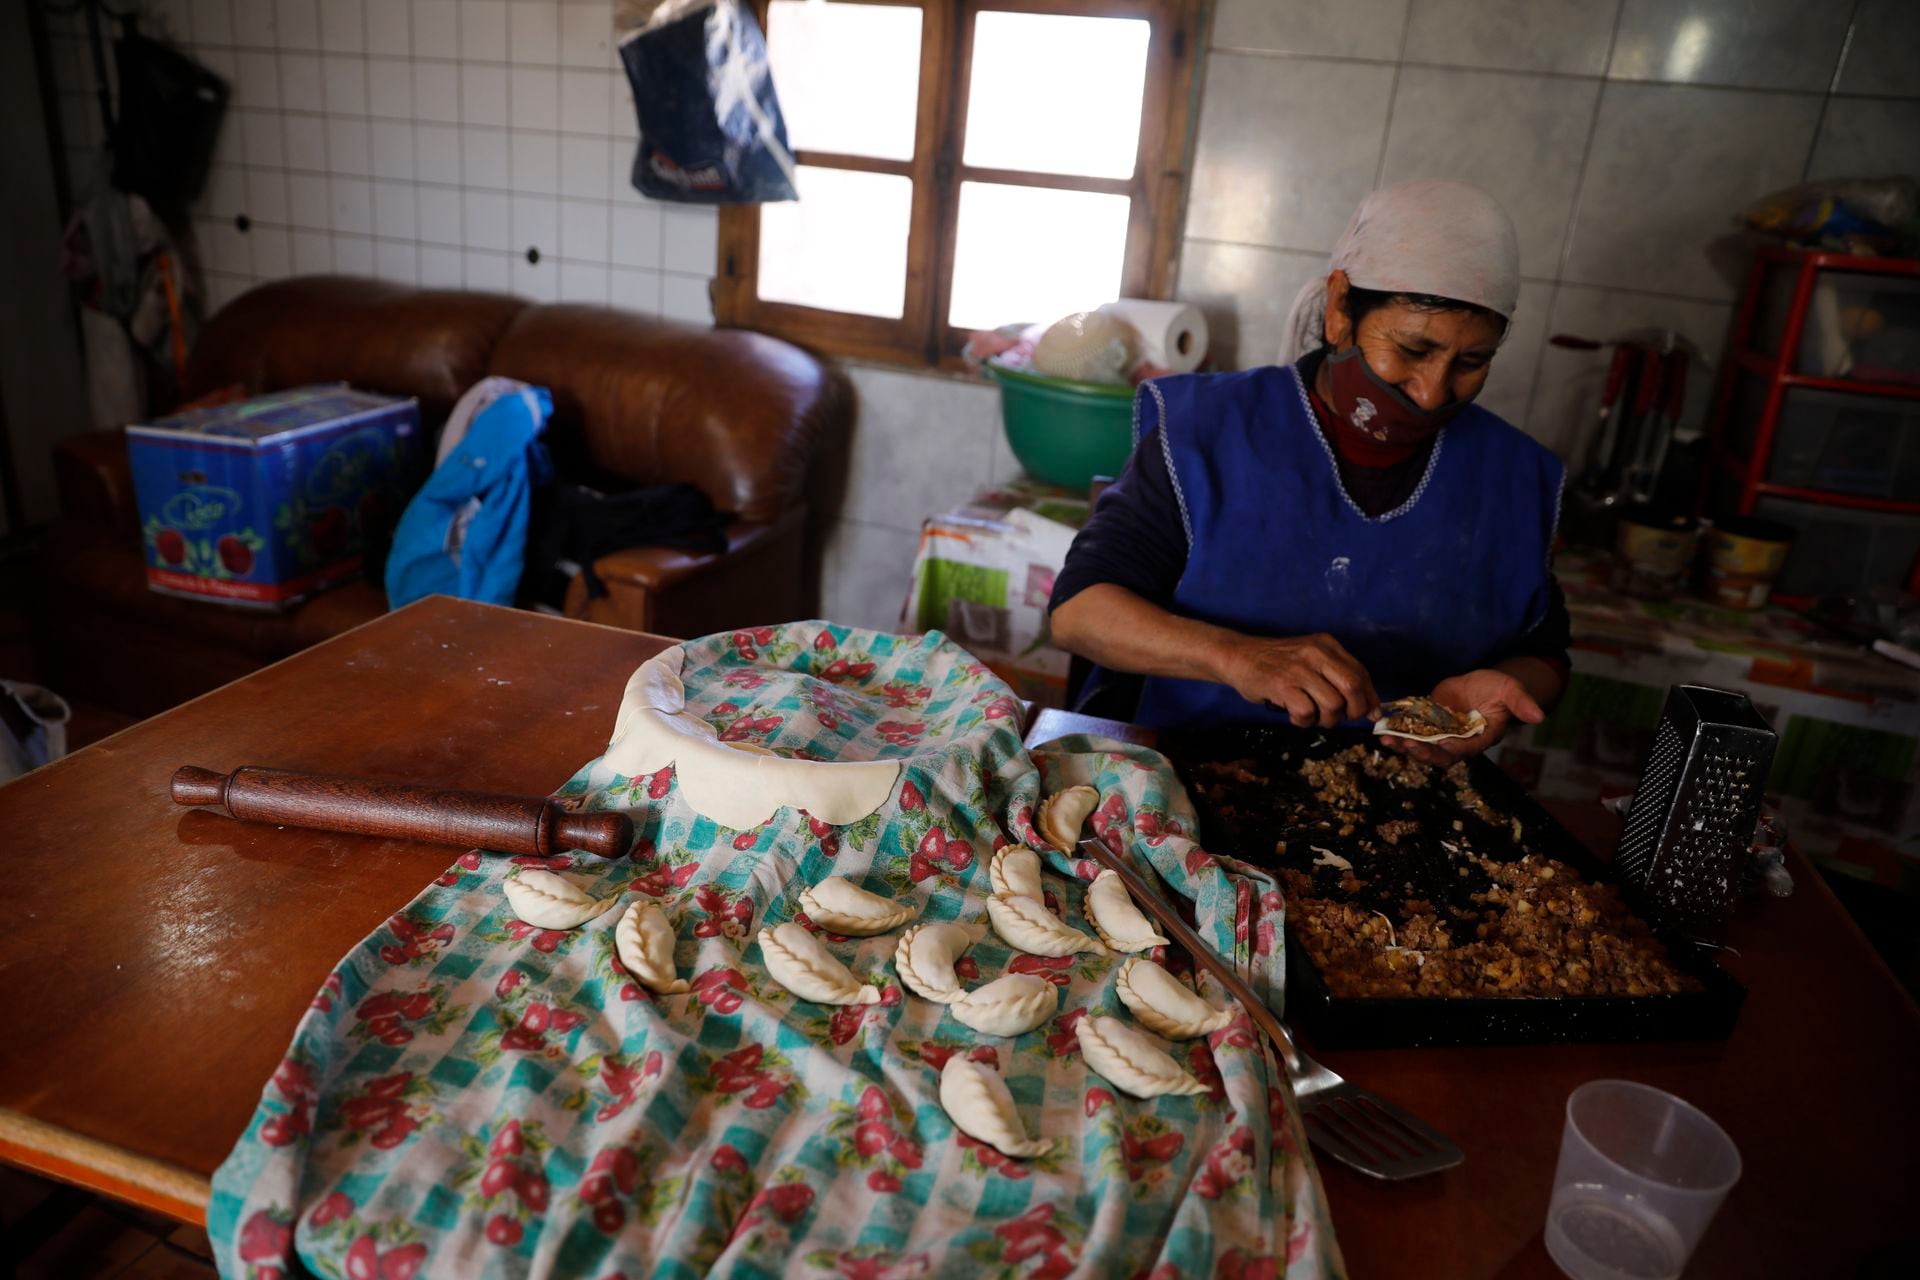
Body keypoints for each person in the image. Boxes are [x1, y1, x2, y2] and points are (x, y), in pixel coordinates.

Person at [1048, 181, 1568, 763]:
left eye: (1472, 363)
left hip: (1399, 796)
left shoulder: (1516, 477)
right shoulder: (1208, 432)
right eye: (1413, 351)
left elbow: (1543, 651)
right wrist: (1237, 657)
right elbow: (1079, 612)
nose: (1431, 392)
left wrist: (1497, 692)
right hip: (1181, 770)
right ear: (1341, 307)